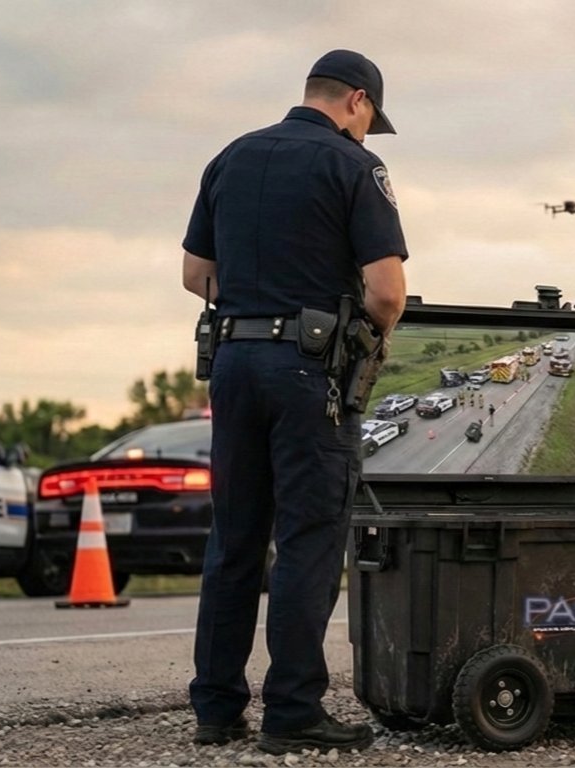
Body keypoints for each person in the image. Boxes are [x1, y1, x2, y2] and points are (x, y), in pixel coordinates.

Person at [181, 49, 408, 756]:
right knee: (309, 539)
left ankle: (216, 710)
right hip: (307, 372)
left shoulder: (231, 157)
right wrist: (365, 340)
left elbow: (196, 274)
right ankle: (293, 712)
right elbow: (387, 290)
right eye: (370, 120)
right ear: (358, 102)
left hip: (233, 363)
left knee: (235, 540)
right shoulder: (353, 166)